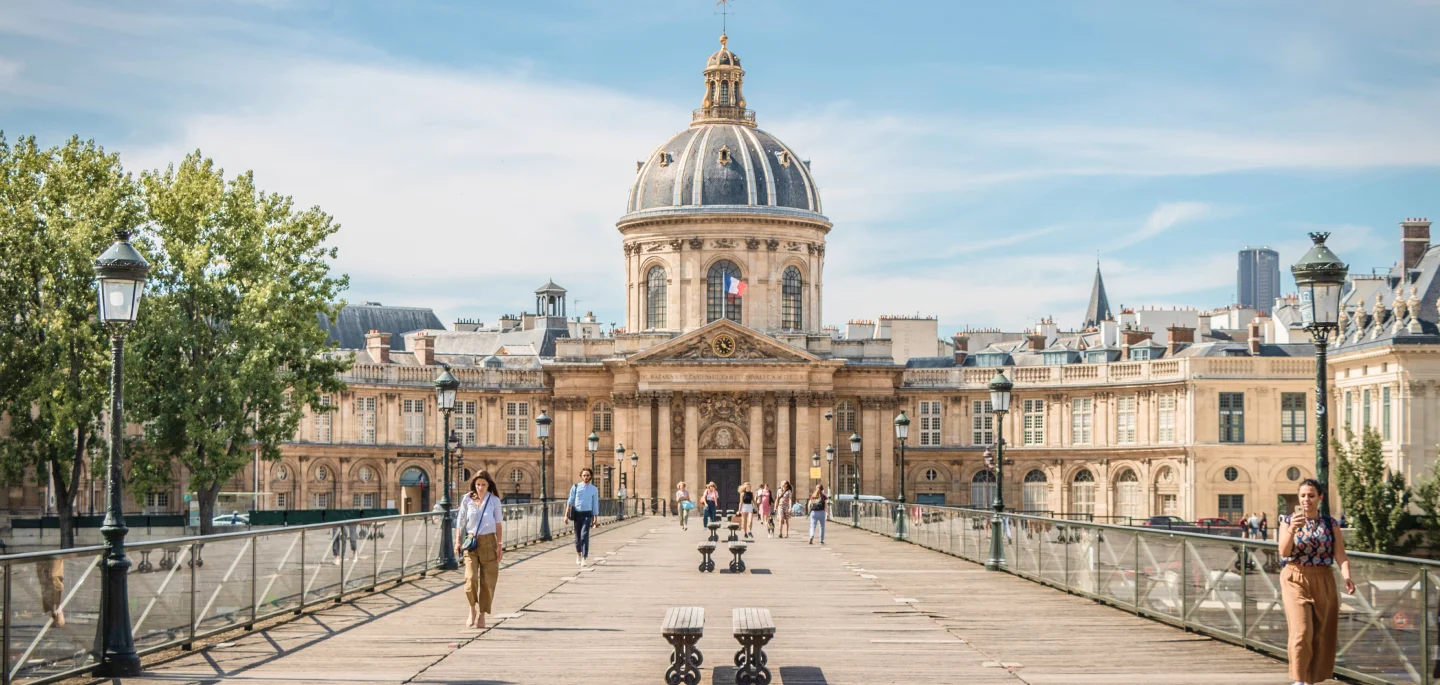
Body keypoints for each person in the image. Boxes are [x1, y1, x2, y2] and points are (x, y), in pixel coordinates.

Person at [1279, 478, 1355, 685]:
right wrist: (1292, 529)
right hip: (1295, 576)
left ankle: (1311, 679)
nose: (1306, 500)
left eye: (1311, 496)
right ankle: (1298, 680)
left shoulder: (1330, 524)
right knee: (1302, 630)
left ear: (1320, 498)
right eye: (1303, 496)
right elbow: (1283, 552)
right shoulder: (1287, 521)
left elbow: (1340, 555)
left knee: (1322, 632)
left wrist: (1346, 576)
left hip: (1323, 578)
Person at [454, 470, 504, 629]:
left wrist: (500, 545)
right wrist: (457, 542)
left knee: (488, 581)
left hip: (489, 541)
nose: (480, 488)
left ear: (489, 485)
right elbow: (460, 521)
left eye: (483, 485)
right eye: (478, 485)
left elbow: (498, 524)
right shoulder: (467, 499)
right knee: (470, 578)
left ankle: (482, 614)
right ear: (473, 485)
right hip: (471, 541)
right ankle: (472, 609)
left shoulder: (494, 501)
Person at [564, 468, 600, 566]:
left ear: (591, 476)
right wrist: (566, 515)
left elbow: (595, 504)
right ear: (581, 476)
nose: (586, 477)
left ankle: (584, 557)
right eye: (584, 475)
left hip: (587, 514)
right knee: (577, 537)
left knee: (584, 535)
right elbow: (570, 502)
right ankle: (578, 554)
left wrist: (595, 519)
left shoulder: (594, 489)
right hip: (577, 514)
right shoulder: (575, 487)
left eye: (588, 475)